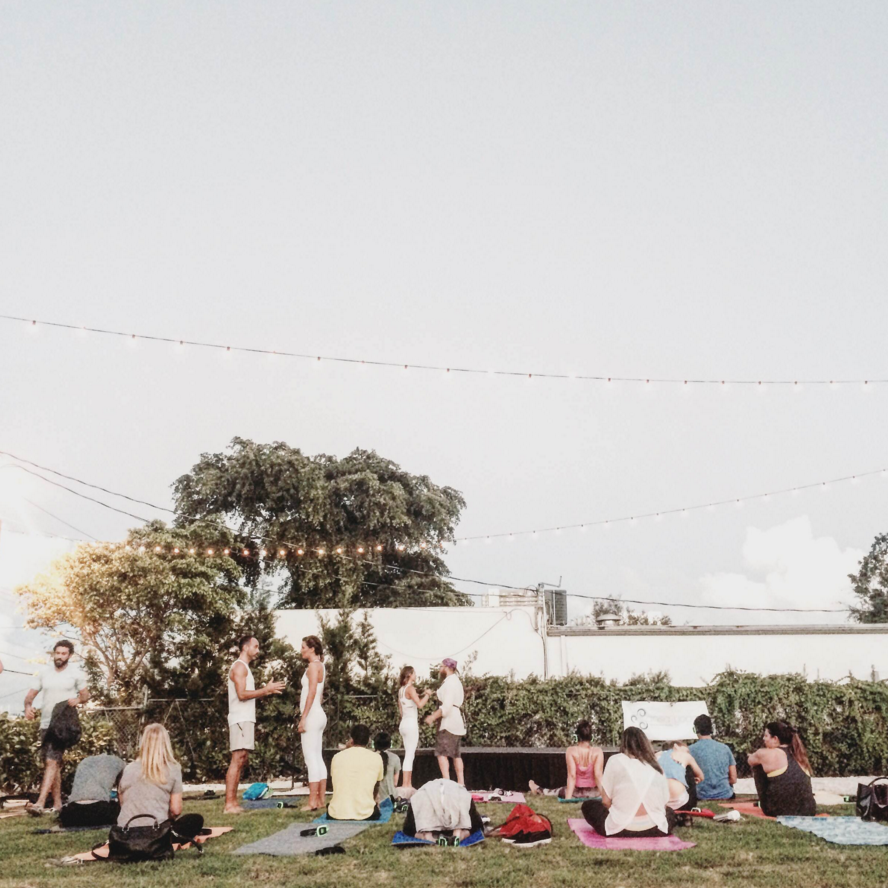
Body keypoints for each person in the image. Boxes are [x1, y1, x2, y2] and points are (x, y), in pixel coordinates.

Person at [23, 640, 90, 816]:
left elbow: (85, 694)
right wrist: (28, 707)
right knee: (54, 764)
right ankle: (58, 804)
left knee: (51, 761)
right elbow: (30, 695)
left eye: (63, 654)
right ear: (53, 653)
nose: (59, 657)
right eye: (57, 653)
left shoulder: (75, 673)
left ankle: (40, 803)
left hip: (63, 724)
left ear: (69, 655)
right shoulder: (44, 673)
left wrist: (78, 700)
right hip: (46, 723)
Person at [225, 634, 286, 814]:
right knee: (237, 759)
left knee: (242, 758)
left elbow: (246, 693)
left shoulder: (245, 668)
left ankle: (233, 803)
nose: (258, 650)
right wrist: (266, 690)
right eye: (256, 646)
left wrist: (265, 691)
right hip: (239, 719)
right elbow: (242, 694)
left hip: (246, 718)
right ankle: (229, 804)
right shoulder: (239, 667)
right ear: (245, 647)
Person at [581, 727, 677, 838]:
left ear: (624, 743)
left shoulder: (615, 760)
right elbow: (664, 804)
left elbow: (606, 802)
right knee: (670, 812)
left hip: (620, 828)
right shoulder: (655, 765)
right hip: (656, 828)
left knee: (588, 806)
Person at [117, 724, 204, 843]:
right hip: (156, 833)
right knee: (195, 819)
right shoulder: (173, 768)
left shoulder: (128, 769)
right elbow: (176, 810)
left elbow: (123, 802)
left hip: (125, 833)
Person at [747, 721, 816, 817]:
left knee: (757, 766)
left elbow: (750, 760)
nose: (763, 739)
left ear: (775, 739)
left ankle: (769, 803)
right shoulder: (799, 755)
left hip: (780, 811)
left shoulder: (766, 753)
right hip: (808, 810)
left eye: (766, 736)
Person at [529, 719, 604, 799]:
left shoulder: (571, 751)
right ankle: (537, 789)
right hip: (594, 793)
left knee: (559, 790)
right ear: (591, 737)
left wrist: (568, 799)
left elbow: (572, 776)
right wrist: (604, 796)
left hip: (576, 793)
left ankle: (538, 789)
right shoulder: (598, 752)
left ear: (576, 737)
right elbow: (598, 776)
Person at [327, 724, 384, 821]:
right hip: (366, 814)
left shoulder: (337, 757)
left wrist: (347, 748)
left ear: (351, 739)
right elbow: (376, 787)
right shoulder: (376, 758)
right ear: (369, 740)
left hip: (335, 813)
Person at [424, 658, 465, 785]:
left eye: (441, 666)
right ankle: (461, 783)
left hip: (449, 724)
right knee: (456, 755)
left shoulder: (449, 684)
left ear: (447, 668)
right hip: (457, 722)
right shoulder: (455, 682)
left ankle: (447, 782)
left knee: (442, 753)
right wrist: (432, 693)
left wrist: (433, 717)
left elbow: (446, 706)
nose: (440, 669)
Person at [298, 635, 327, 811]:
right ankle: (321, 800)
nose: (301, 650)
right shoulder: (321, 666)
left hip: (312, 715)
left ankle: (312, 802)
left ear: (312, 649)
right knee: (317, 757)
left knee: (311, 758)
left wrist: (304, 717)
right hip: (319, 714)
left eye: (303, 647)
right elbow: (320, 695)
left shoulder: (312, 666)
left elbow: (312, 692)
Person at [403, 778, 483, 842]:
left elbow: (408, 829)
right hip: (456, 799)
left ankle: (428, 837)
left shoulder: (420, 794)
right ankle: (458, 833)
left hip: (426, 800)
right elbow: (477, 826)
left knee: (411, 831)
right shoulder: (462, 792)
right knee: (472, 829)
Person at [59, 753, 125, 828]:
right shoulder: (119, 763)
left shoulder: (85, 762)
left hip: (72, 813)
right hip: (100, 811)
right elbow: (121, 791)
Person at [689, 714, 738, 800]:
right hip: (725, 793)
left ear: (696, 729)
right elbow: (733, 779)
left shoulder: (690, 750)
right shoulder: (725, 748)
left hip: (701, 795)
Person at [397, 666, 431, 790]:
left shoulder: (401, 690)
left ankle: (407, 783)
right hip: (411, 724)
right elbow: (420, 705)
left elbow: (401, 709)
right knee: (410, 755)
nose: (416, 675)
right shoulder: (410, 688)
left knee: (408, 753)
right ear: (410, 674)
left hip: (404, 723)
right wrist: (427, 695)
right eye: (414, 673)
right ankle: (406, 784)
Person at [657, 741, 704, 811]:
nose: (688, 753)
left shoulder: (656, 755)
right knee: (688, 769)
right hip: (679, 801)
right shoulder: (685, 756)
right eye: (687, 750)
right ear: (676, 746)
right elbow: (701, 776)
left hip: (658, 801)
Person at [374, 731, 402, 801]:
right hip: (390, 798)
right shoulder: (395, 758)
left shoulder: (369, 757)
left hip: (373, 798)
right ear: (389, 744)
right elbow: (395, 783)